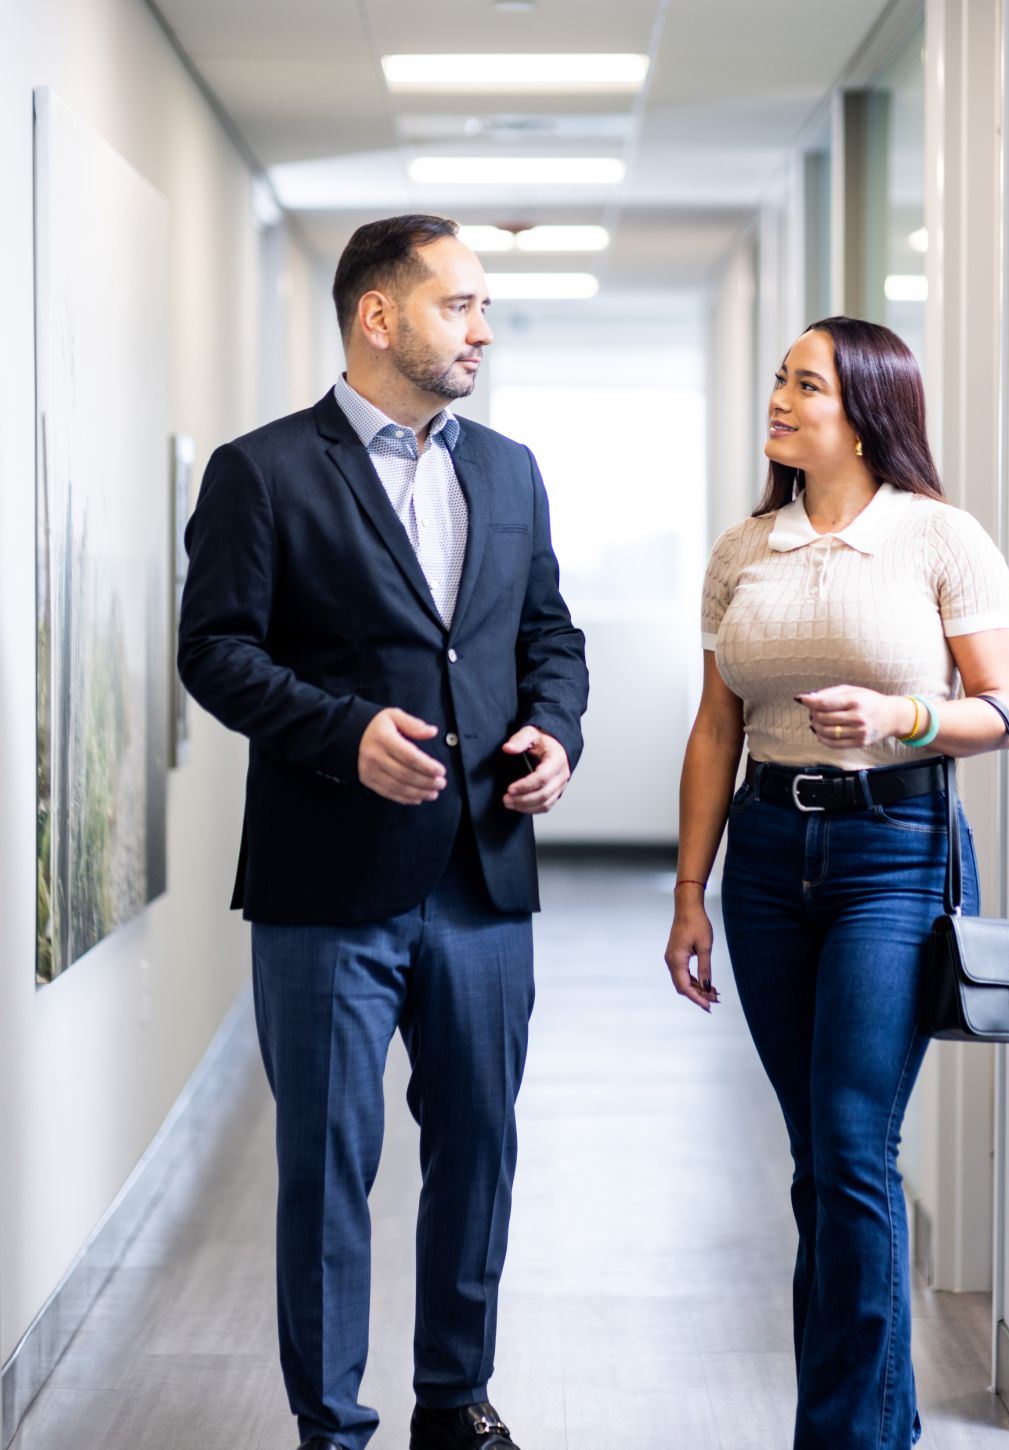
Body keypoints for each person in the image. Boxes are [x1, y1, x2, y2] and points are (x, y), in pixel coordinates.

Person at [178, 214, 588, 1450]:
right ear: (378, 316)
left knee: (479, 1148)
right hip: (326, 885)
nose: (483, 330)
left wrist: (556, 729)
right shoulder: (263, 471)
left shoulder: (508, 470)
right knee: (328, 1168)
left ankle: (454, 1402)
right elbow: (215, 651)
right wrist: (341, 731)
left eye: (485, 308)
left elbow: (547, 635)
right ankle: (332, 1426)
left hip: (482, 878)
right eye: (461, 305)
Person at [664, 316, 1009, 1449]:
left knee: (855, 1142)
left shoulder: (939, 537)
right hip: (769, 856)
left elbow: (1003, 709)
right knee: (818, 1157)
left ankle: (843, 1436)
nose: (780, 398)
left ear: (866, 412)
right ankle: (876, 1419)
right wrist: (689, 889)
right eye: (781, 378)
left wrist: (902, 716)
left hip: (895, 852)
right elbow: (716, 725)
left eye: (805, 384)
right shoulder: (744, 549)